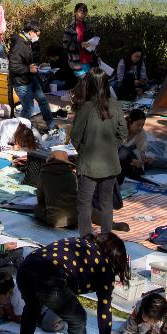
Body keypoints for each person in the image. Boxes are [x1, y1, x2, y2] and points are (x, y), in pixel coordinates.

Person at [17, 232, 131, 334]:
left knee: (32, 305)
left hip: (26, 267)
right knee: (78, 318)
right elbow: (104, 309)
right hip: (50, 278)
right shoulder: (104, 265)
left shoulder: (77, 242)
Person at [70, 69, 128, 236]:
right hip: (110, 163)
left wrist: (83, 149)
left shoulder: (86, 107)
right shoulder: (115, 106)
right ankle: (107, 237)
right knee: (106, 203)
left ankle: (87, 239)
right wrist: (111, 148)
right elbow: (123, 133)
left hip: (88, 164)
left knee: (84, 204)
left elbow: (75, 135)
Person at [9, 19, 55, 134]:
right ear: (30, 32)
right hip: (21, 82)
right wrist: (28, 69)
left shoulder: (28, 41)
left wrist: (36, 45)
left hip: (31, 78)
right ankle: (18, 133)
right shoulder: (18, 44)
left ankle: (51, 126)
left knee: (43, 101)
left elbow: (35, 59)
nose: (38, 37)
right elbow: (13, 68)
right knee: (28, 108)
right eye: (37, 35)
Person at [0, 266, 63, 334]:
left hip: (52, 305)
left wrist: (9, 314)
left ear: (8, 293)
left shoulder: (18, 295)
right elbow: (1, 303)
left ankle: (62, 317)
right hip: (36, 305)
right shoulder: (6, 290)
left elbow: (21, 319)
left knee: (48, 325)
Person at [120, 108, 167, 174]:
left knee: (152, 162)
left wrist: (144, 157)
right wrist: (130, 161)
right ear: (130, 121)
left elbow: (141, 150)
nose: (140, 128)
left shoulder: (141, 133)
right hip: (115, 159)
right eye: (138, 125)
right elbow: (114, 151)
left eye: (142, 125)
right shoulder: (120, 129)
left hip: (129, 158)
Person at [34, 150, 79, 229]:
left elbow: (40, 198)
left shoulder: (44, 174)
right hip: (75, 219)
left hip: (55, 220)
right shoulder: (72, 175)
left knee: (36, 208)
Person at [63, 2, 96, 70]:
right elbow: (66, 46)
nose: (83, 14)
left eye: (84, 12)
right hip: (76, 63)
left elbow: (93, 41)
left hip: (89, 61)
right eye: (80, 11)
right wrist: (80, 45)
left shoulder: (88, 27)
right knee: (80, 80)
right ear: (75, 12)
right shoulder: (70, 28)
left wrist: (95, 43)